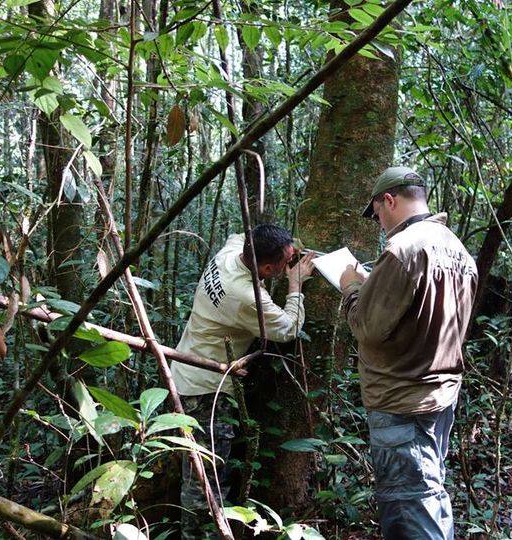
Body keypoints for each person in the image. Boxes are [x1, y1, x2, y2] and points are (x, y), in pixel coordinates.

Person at [339, 166, 478, 539]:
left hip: (401, 400)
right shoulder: (458, 250)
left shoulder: (403, 249)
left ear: (389, 200)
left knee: (411, 511)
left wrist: (353, 287)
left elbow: (368, 328)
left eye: (378, 212)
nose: (379, 222)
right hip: (440, 396)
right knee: (427, 496)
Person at [173, 224, 314, 536]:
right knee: (204, 485)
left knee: (200, 473)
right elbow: (288, 329)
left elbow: (240, 234)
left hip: (187, 372)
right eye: (284, 262)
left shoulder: (232, 251)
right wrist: (295, 284)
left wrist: (293, 246)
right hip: (205, 390)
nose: (289, 264)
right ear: (267, 268)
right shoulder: (245, 295)